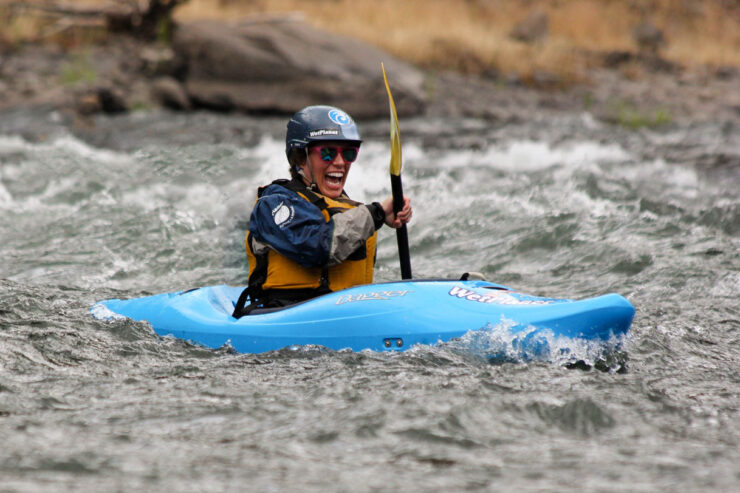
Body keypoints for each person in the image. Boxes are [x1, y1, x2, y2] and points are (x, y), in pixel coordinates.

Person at [232, 105, 412, 317]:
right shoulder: (274, 203)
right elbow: (316, 246)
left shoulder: (353, 210)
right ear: (300, 157)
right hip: (283, 317)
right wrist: (377, 213)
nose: (340, 162)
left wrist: (384, 215)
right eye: (327, 153)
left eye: (348, 153)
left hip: (346, 317)